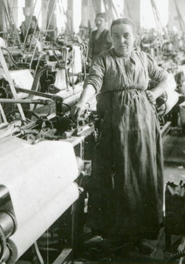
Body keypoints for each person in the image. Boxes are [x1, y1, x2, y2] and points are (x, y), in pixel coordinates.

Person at [71, 17, 169, 251]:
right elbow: (93, 81)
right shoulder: (103, 59)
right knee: (117, 177)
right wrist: (83, 102)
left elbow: (165, 78)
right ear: (110, 38)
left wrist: (154, 93)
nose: (121, 40)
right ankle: (116, 233)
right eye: (116, 35)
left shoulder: (144, 58)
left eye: (126, 35)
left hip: (144, 124)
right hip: (116, 125)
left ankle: (141, 233)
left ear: (134, 37)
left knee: (142, 174)